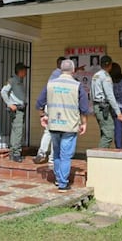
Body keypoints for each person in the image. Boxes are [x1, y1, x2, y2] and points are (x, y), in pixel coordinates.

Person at [36, 59, 89, 192]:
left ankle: (59, 179)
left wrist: (43, 116)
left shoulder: (50, 84)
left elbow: (39, 102)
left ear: (60, 69)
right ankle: (63, 183)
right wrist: (84, 123)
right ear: (73, 70)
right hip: (70, 126)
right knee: (66, 155)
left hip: (54, 125)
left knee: (57, 154)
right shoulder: (77, 86)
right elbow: (84, 108)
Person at [33, 56, 66, 164]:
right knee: (56, 132)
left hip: (49, 106)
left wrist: (41, 110)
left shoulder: (53, 75)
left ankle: (41, 153)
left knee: (48, 132)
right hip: (57, 108)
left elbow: (44, 94)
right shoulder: (60, 76)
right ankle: (52, 157)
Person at [91, 55, 122, 148]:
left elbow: (91, 93)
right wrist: (118, 113)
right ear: (110, 65)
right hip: (103, 106)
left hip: (97, 105)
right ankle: (99, 156)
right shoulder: (106, 77)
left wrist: (94, 107)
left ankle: (102, 155)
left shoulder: (95, 75)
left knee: (104, 132)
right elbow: (110, 96)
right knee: (109, 132)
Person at [0, 62, 30, 162]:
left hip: (21, 108)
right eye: (24, 70)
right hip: (16, 109)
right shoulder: (12, 80)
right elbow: (3, 91)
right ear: (20, 71)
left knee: (15, 130)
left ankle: (13, 152)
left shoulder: (20, 81)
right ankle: (16, 153)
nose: (26, 72)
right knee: (18, 131)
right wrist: (9, 104)